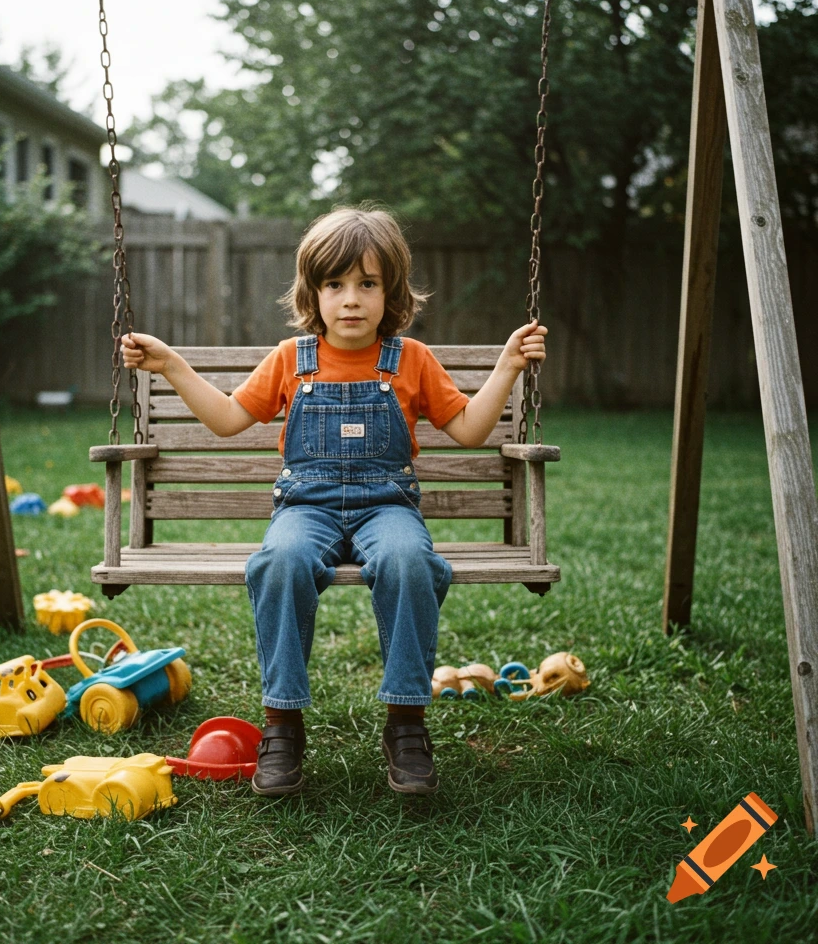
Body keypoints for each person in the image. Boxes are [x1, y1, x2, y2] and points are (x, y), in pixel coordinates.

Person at [121, 206, 547, 798]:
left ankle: (406, 724)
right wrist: (170, 364)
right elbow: (225, 419)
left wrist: (506, 366)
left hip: (387, 506)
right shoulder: (292, 360)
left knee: (408, 562)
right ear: (313, 293)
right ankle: (283, 725)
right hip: (306, 508)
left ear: (390, 293)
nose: (351, 299)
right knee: (280, 562)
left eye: (367, 284)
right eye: (335, 284)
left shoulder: (412, 360)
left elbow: (473, 430)